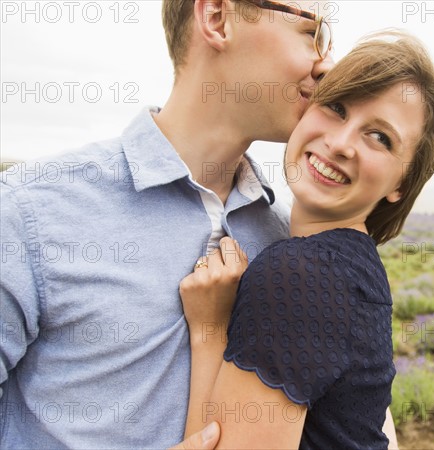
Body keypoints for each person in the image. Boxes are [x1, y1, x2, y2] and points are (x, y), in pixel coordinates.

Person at [0, 0, 333, 447]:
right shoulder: (29, 211)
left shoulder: (286, 242)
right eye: (313, 34)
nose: (328, 64)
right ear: (217, 19)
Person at [179, 30, 434, 449]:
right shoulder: (356, 266)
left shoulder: (302, 273)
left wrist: (210, 331)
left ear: (402, 182)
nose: (341, 143)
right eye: (336, 107)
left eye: (380, 137)